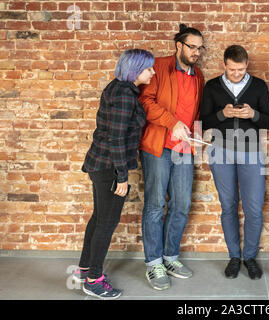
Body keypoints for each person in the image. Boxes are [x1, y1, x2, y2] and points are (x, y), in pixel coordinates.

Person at [72, 49, 155, 299]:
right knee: (106, 224)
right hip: (109, 167)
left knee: (99, 219)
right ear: (135, 70)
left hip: (101, 165)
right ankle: (93, 280)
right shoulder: (124, 95)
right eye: (148, 68)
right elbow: (116, 139)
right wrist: (122, 176)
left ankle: (84, 270)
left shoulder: (120, 88)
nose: (152, 72)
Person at [138, 24, 205, 291]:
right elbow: (145, 101)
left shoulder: (198, 75)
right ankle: (153, 263)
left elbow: (196, 113)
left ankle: (170, 257)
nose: (196, 52)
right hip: (158, 146)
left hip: (184, 150)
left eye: (200, 48)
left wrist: (197, 140)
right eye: (192, 47)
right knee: (155, 204)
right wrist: (171, 122)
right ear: (178, 46)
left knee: (181, 204)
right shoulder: (159, 67)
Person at [200, 45, 269, 280]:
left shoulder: (259, 86)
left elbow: (268, 121)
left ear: (247, 65)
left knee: (253, 208)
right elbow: (203, 120)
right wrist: (223, 114)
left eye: (241, 70)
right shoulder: (212, 86)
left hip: (251, 152)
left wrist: (253, 115)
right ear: (224, 65)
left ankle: (250, 257)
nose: (237, 74)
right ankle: (234, 256)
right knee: (228, 206)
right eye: (232, 70)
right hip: (220, 152)